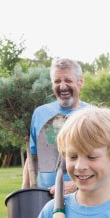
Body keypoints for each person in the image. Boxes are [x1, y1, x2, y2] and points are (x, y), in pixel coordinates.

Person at [22, 57, 90, 195]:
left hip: (84, 196)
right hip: (45, 196)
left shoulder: (94, 115)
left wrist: (76, 185)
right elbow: (33, 157)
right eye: (57, 81)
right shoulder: (40, 113)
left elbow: (106, 163)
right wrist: (24, 192)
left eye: (68, 80)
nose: (62, 86)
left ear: (80, 82)